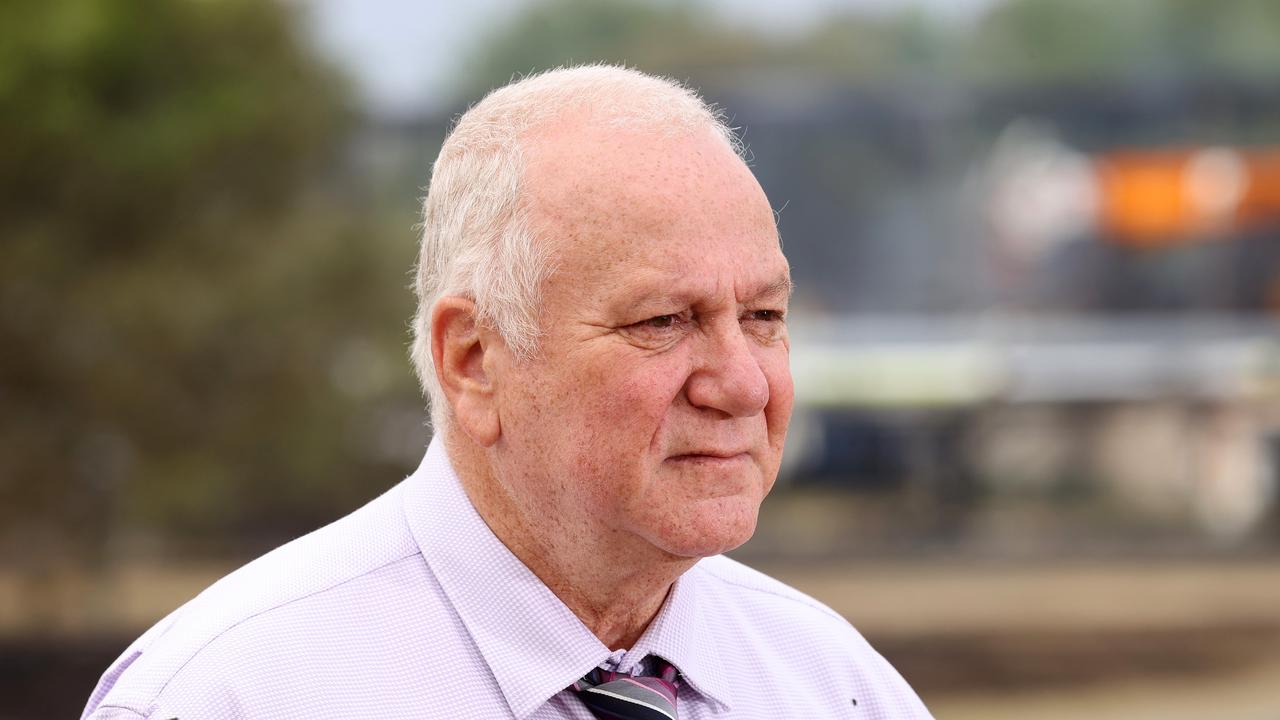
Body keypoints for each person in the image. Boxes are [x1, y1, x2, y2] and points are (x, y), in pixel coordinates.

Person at [82, 65, 932, 719]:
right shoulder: (227, 695)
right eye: (664, 321)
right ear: (474, 359)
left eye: (763, 315)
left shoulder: (836, 687)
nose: (743, 382)